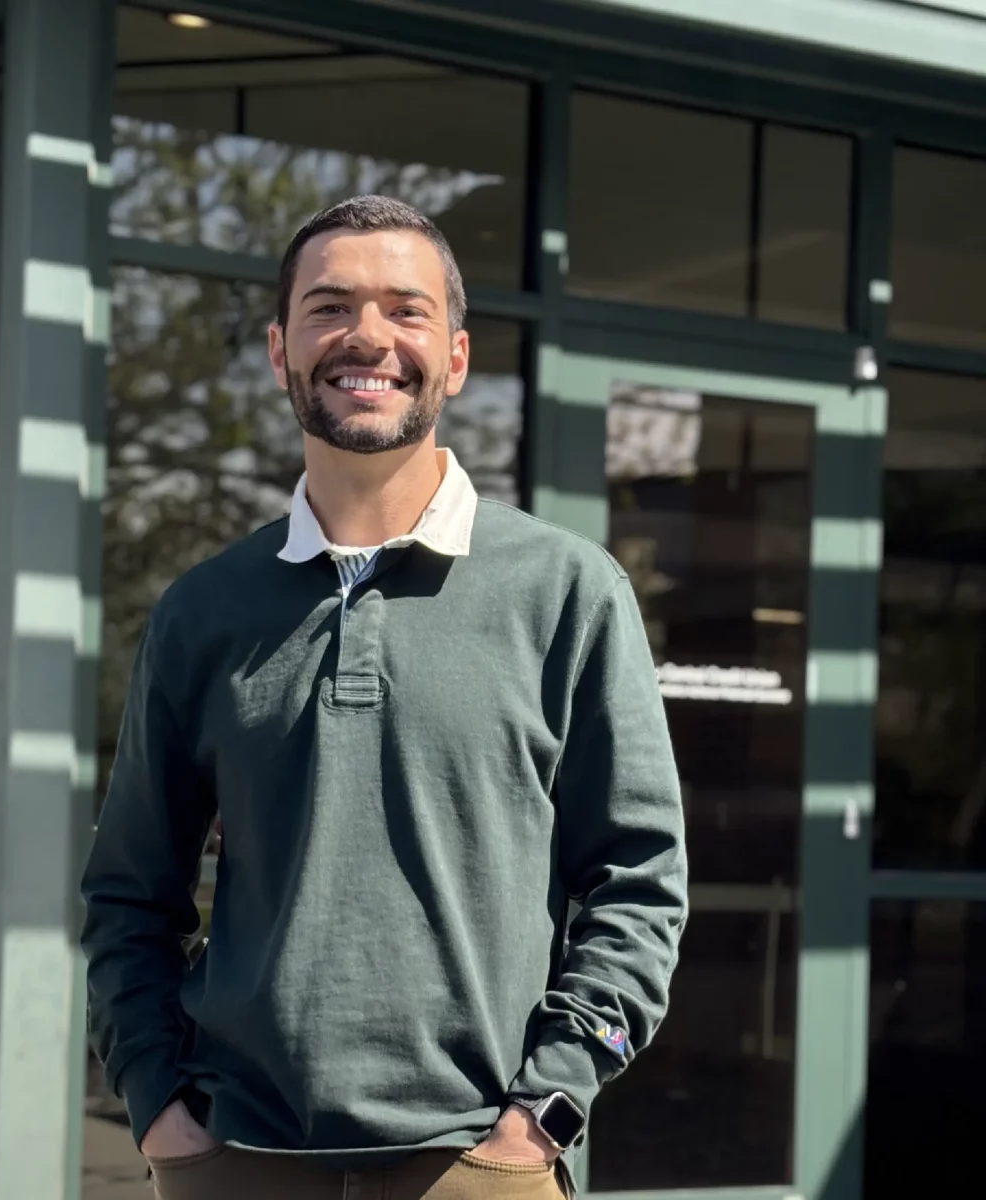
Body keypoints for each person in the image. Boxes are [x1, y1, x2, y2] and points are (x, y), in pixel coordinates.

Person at [81, 195, 687, 1200]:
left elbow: (641, 883)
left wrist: (551, 1107)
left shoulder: (567, 592)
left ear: (453, 358)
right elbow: (128, 891)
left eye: (405, 310)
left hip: (478, 1164)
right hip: (237, 1163)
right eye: (329, 308)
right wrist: (155, 1102)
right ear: (280, 350)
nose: (366, 336)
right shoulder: (204, 612)